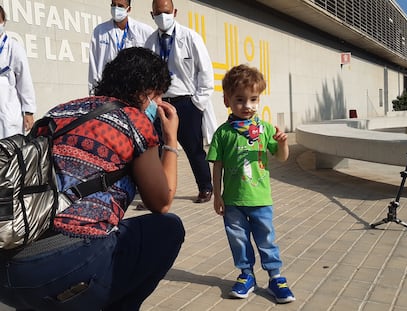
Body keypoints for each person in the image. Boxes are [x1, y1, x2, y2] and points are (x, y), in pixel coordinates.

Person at [0, 47, 185, 310]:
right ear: (147, 92)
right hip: (63, 266)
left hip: (8, 267)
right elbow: (161, 201)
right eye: (158, 97)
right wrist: (171, 139)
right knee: (168, 228)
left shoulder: (60, 112)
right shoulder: (134, 121)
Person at [206, 64, 295, 303]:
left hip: (260, 199)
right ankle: (246, 274)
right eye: (240, 100)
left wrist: (283, 142)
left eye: (253, 99)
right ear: (226, 100)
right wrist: (217, 195)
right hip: (233, 200)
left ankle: (276, 276)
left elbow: (282, 157)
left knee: (266, 238)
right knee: (238, 239)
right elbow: (217, 165)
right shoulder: (223, 133)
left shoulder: (265, 129)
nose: (247, 106)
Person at [145, 0, 217, 203]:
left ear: (174, 12)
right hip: (160, 104)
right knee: (156, 149)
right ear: (152, 15)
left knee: (194, 149)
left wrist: (197, 103)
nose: (162, 16)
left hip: (187, 103)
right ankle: (157, 192)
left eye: (166, 12)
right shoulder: (150, 42)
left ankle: (205, 187)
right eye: (158, 13)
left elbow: (206, 72)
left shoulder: (191, 37)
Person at [88, 0, 153, 94]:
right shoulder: (100, 31)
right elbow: (94, 65)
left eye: (120, 6)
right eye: (113, 5)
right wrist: (93, 94)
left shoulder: (144, 31)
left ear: (129, 9)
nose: (116, 8)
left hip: (135, 90)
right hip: (108, 89)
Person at [0, 5, 36, 139]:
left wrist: (28, 111)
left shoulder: (14, 48)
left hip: (8, 110)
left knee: (10, 151)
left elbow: (25, 81)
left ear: (4, 22)